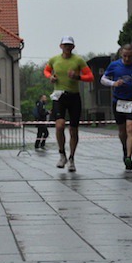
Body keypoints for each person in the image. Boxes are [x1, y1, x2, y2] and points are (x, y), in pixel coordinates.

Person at [43, 36, 93, 172]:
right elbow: (46, 70)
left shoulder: (78, 60)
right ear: (60, 46)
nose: (67, 47)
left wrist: (78, 77)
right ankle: (62, 154)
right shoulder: (54, 59)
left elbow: (90, 77)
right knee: (59, 125)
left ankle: (71, 158)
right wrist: (50, 77)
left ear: (73, 47)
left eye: (69, 45)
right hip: (59, 95)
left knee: (73, 129)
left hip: (74, 96)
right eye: (65, 45)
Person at [101, 44, 132, 170]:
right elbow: (103, 79)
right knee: (122, 130)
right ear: (121, 54)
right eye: (125, 56)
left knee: (131, 128)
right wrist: (113, 83)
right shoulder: (114, 65)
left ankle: (128, 157)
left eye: (129, 57)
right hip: (119, 101)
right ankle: (125, 148)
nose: (127, 59)